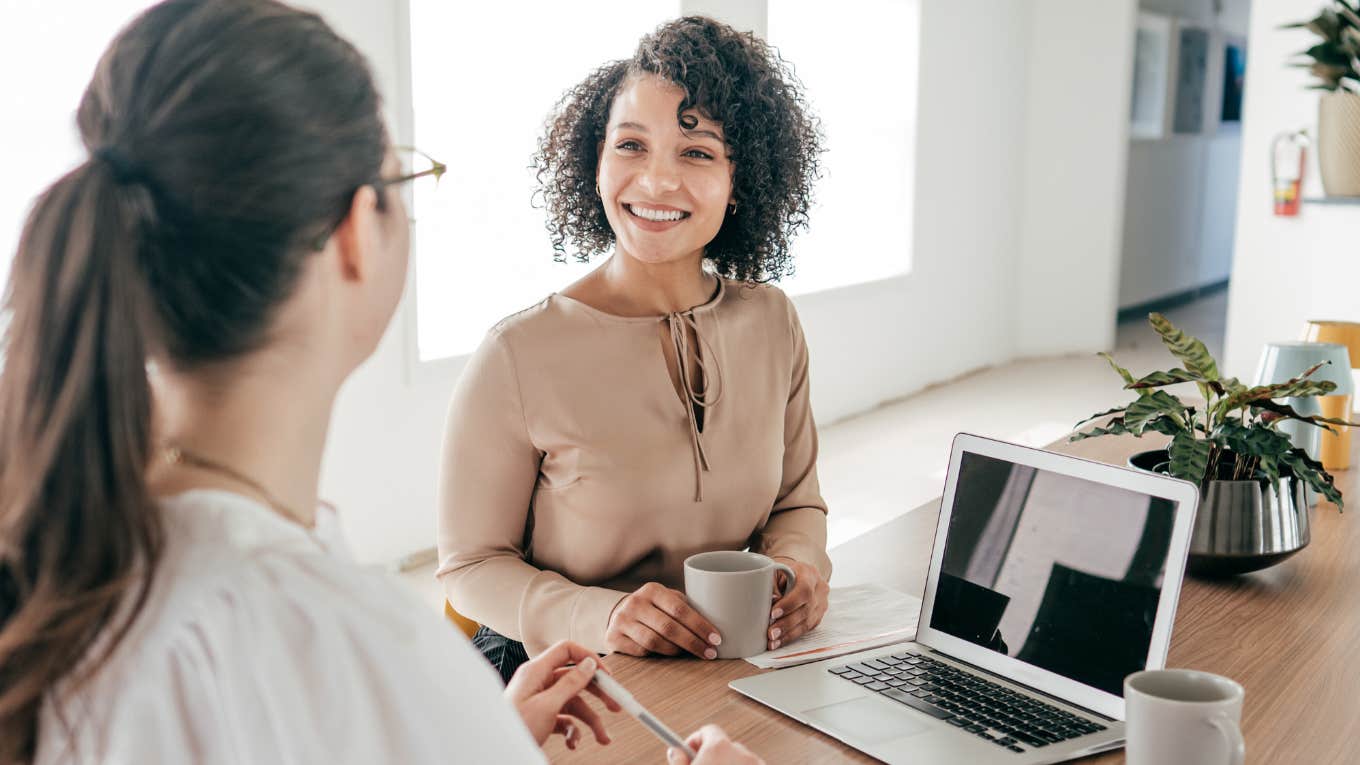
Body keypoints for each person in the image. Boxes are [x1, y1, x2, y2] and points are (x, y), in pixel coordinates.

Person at [0, 2, 757, 763]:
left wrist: (479, 738)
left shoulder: (58, 566)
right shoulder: (367, 650)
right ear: (356, 232)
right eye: (401, 174)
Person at [438, 15, 832, 684]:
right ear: (595, 164)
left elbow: (797, 502)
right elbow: (470, 568)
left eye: (697, 152)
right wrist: (604, 615)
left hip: (723, 667)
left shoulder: (771, 322)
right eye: (630, 146)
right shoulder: (518, 353)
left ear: (742, 181)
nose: (655, 182)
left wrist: (802, 568)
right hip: (559, 679)